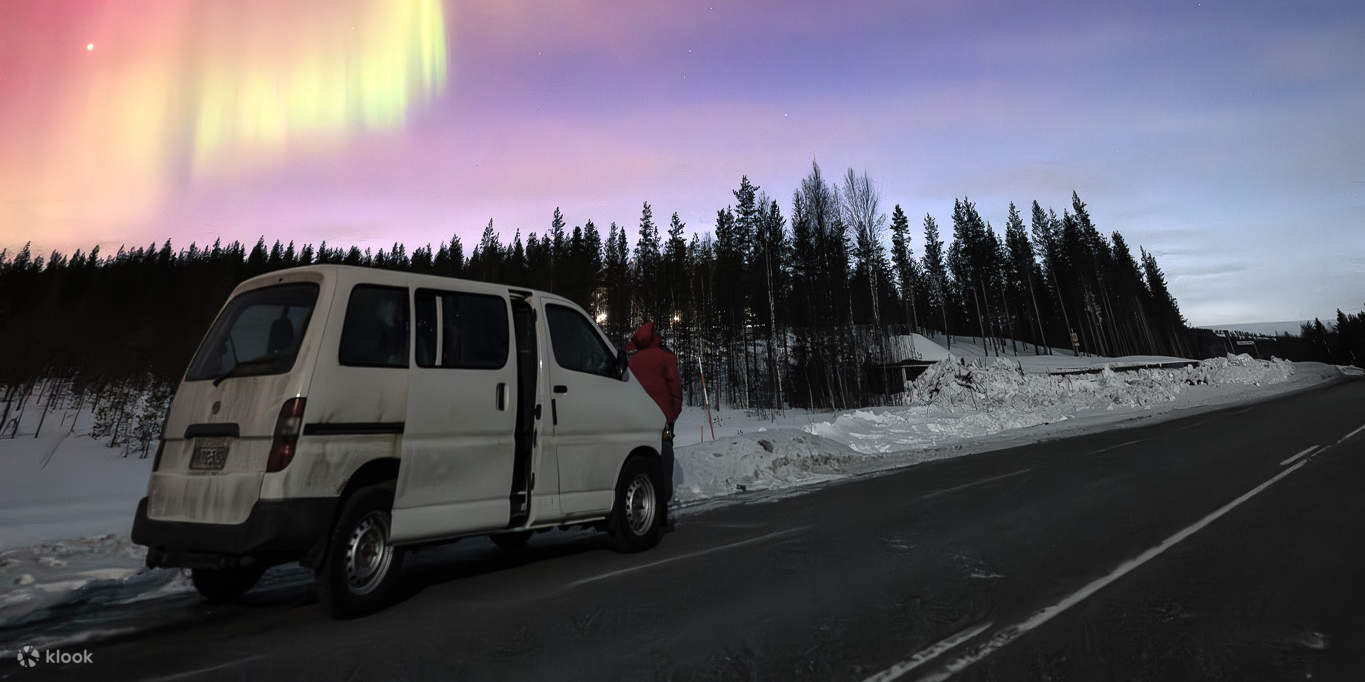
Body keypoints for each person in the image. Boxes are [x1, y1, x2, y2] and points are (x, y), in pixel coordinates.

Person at [626, 321, 682, 528]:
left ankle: (640, 509)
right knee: (664, 460)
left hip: (635, 420)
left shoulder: (630, 357)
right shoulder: (665, 356)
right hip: (662, 421)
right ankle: (661, 514)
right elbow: (675, 389)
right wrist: (672, 415)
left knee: (640, 464)